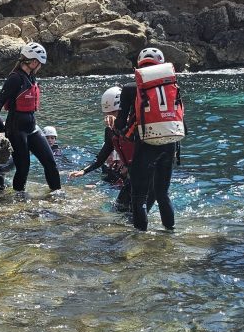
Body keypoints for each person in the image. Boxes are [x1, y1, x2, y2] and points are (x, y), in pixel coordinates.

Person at [115, 47, 185, 230]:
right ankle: (170, 233)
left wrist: (122, 131)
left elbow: (120, 124)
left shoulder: (131, 88)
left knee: (139, 197)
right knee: (163, 194)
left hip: (146, 144)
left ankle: (141, 239)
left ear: (139, 65)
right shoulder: (173, 86)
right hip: (170, 144)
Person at [0, 42, 61, 192]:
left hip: (31, 127)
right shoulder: (15, 78)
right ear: (33, 62)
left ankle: (57, 193)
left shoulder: (31, 77)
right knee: (23, 168)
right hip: (16, 129)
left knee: (50, 162)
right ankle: (19, 197)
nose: (40, 67)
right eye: (40, 64)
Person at [69, 86, 142, 212]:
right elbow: (103, 155)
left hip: (143, 174)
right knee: (120, 208)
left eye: (114, 113)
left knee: (133, 208)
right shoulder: (110, 130)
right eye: (107, 114)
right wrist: (84, 171)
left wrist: (119, 128)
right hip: (132, 176)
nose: (109, 117)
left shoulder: (137, 124)